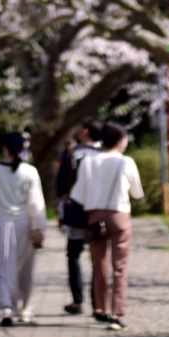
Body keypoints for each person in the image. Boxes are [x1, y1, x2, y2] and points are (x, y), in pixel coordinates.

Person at [70, 120, 144, 330]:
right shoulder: (125, 162)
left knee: (98, 264)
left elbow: (79, 194)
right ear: (121, 141)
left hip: (94, 217)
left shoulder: (89, 161)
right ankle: (117, 312)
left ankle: (100, 308)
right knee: (119, 266)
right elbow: (137, 193)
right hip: (119, 215)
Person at [0, 131, 47, 326]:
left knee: (2, 266)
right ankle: (25, 307)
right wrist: (39, 228)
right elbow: (36, 203)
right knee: (25, 267)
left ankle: (6, 307)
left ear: (4, 148)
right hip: (25, 223)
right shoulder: (30, 171)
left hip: (1, 222)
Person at [55, 119, 100, 314]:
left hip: (75, 209)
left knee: (73, 255)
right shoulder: (103, 153)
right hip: (97, 209)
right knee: (98, 258)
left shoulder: (72, 152)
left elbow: (62, 182)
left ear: (85, 131)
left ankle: (78, 300)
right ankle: (98, 302)